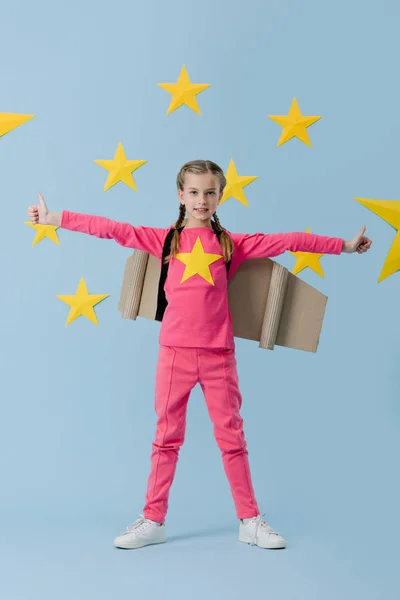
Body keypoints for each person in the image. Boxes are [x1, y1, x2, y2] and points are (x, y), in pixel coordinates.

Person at [27, 159, 372, 551]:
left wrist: (342, 246)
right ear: (180, 195)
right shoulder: (166, 241)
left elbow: (289, 240)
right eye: (193, 192)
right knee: (166, 439)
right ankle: (153, 519)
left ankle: (249, 519)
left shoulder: (231, 244)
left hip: (218, 357)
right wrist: (55, 218)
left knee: (232, 439)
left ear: (220, 195)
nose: (201, 200)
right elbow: (113, 229)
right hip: (174, 355)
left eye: (209, 192)